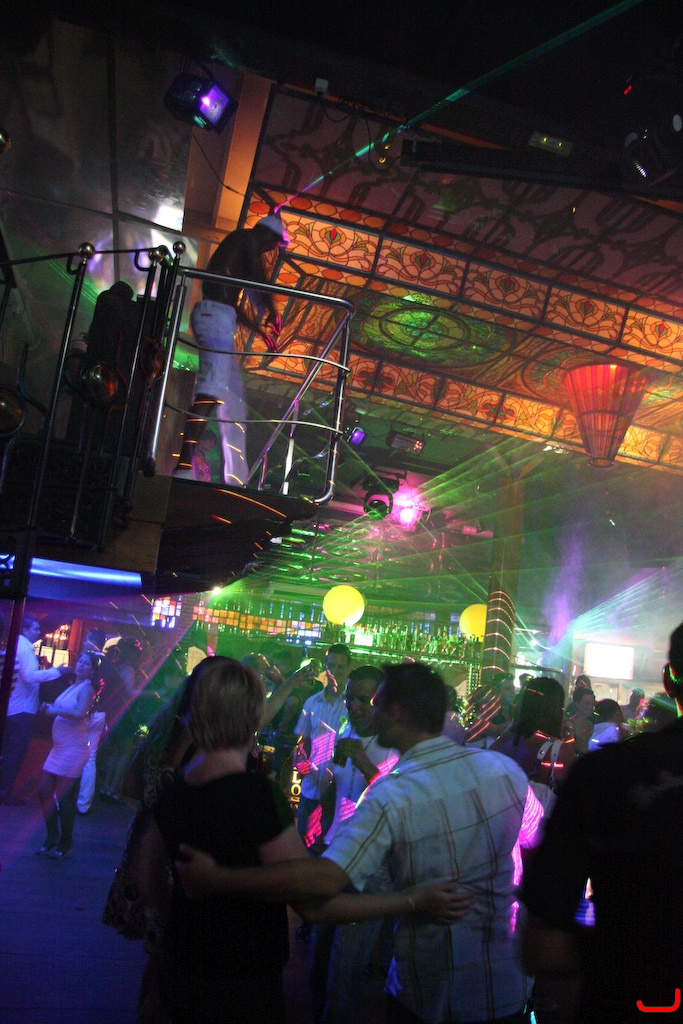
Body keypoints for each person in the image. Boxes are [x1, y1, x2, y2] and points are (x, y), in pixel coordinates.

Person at [175, 661, 534, 1024]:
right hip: (504, 987)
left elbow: (323, 886)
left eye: (375, 703)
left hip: (430, 990)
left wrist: (219, 879)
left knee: (340, 978)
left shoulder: (394, 792)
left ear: (395, 712)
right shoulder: (504, 770)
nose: (367, 711)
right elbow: (534, 839)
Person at [521, 621, 683, 1024]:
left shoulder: (606, 773)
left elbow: (544, 948)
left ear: (669, 679)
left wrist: (623, 950)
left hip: (626, 1000)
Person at [311, 665, 399, 1024]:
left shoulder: (395, 746)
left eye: (364, 699)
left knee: (343, 973)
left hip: (370, 871)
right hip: (335, 858)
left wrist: (364, 762)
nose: (354, 706)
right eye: (350, 698)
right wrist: (322, 829)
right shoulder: (346, 730)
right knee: (318, 963)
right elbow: (334, 786)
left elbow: (396, 802)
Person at [174, 214, 289, 486]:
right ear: (267, 235)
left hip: (219, 317)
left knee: (233, 402)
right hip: (214, 317)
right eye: (273, 244)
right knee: (211, 389)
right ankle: (183, 464)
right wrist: (272, 311)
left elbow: (235, 303)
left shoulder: (240, 251)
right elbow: (258, 282)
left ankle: (236, 480)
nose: (269, 250)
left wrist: (261, 331)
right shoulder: (246, 240)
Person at [0, 614, 71, 804]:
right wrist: (57, 671)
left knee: (10, 751)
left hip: (16, 706)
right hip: (21, 709)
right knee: (15, 753)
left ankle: (4, 790)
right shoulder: (24, 648)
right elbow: (30, 676)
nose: (39, 632)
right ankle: (4, 792)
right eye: (35, 629)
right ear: (25, 630)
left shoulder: (18, 646)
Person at [35, 649, 99, 858]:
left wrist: (56, 711)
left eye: (86, 663)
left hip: (74, 749)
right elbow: (63, 709)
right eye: (80, 661)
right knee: (44, 790)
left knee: (65, 798)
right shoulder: (73, 686)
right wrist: (50, 707)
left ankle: (65, 842)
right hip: (59, 748)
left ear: (92, 670)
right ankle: (52, 835)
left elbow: (79, 713)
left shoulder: (87, 689)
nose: (80, 665)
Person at [294, 643, 352, 845]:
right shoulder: (312, 702)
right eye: (331, 665)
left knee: (331, 849)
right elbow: (303, 740)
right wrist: (300, 756)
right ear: (325, 667)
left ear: (349, 669)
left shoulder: (353, 706)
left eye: (340, 667)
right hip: (311, 787)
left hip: (339, 794)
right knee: (303, 845)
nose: (335, 671)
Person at [491, 676, 576, 812]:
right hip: (535, 822)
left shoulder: (502, 741)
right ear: (555, 709)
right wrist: (569, 740)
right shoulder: (557, 752)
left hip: (500, 818)